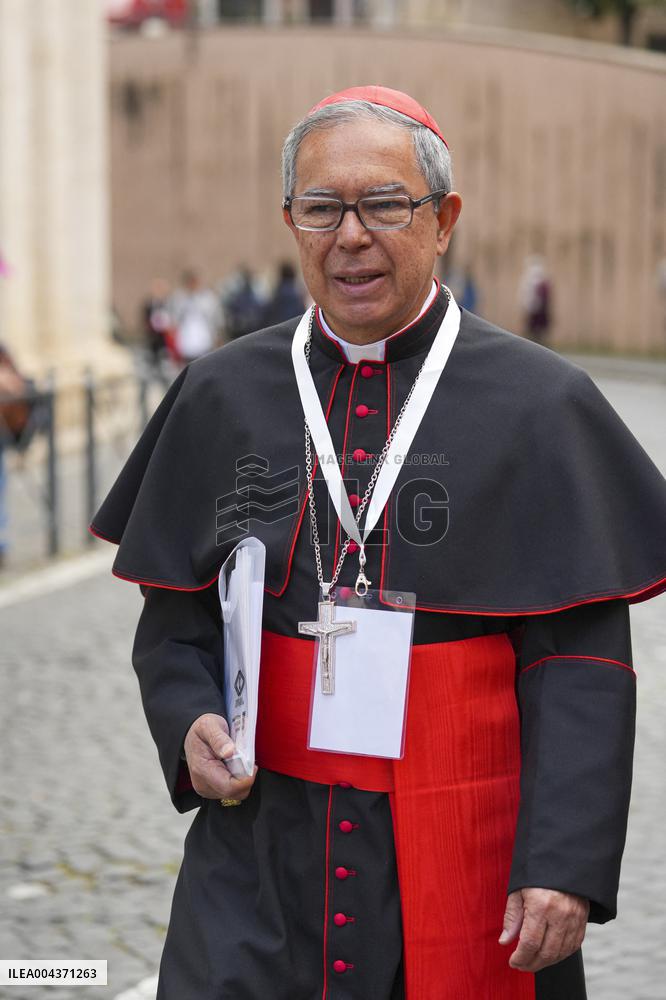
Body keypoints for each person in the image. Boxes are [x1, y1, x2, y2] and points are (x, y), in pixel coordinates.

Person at [91, 86, 666, 999]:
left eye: (386, 204)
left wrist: (563, 860)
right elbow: (174, 619)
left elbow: (583, 665)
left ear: (444, 221)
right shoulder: (221, 392)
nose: (350, 235)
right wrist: (186, 718)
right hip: (262, 846)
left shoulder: (541, 404)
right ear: (291, 221)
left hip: (469, 843)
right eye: (321, 208)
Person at [169, 269, 222, 363]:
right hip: (187, 338)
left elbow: (215, 316)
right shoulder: (179, 298)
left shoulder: (207, 297)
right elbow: (174, 318)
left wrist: (216, 335)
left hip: (204, 338)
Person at [261, 260, 306, 326]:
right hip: (294, 326)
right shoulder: (296, 293)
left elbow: (270, 312)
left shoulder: (278, 292)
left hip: (279, 327)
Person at [520, 254, 552, 344]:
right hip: (535, 308)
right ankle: (534, 342)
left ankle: (536, 342)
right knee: (534, 328)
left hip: (538, 308)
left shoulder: (535, 280)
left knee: (536, 328)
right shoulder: (531, 280)